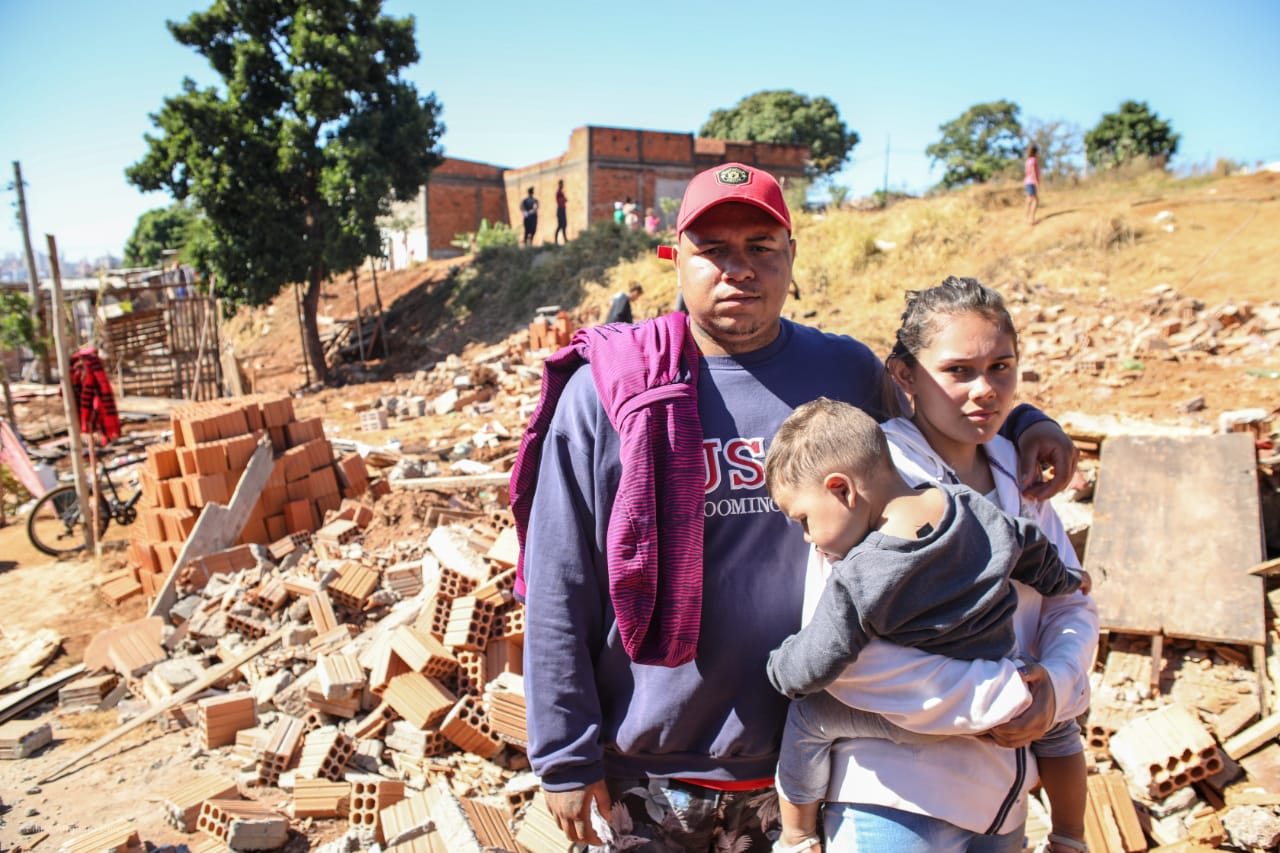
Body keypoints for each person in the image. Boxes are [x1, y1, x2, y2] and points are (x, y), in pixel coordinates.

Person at [517, 162, 1080, 852]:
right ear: (676, 259)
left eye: (761, 246)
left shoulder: (841, 373)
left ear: (792, 256)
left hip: (807, 764)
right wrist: (564, 755)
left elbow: (940, 421)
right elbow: (557, 580)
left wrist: (1023, 420)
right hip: (648, 767)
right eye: (712, 248)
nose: (738, 268)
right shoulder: (612, 392)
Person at [810, 276, 1099, 853]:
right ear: (905, 376)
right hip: (893, 801)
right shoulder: (873, 478)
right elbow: (837, 648)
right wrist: (1001, 696)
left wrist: (1056, 688)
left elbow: (1070, 600)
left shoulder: (1021, 475)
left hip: (1001, 803)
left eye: (1001, 367)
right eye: (959, 371)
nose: (985, 390)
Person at [762, 397, 1090, 853]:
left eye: (803, 520)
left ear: (842, 490)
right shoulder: (966, 504)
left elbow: (817, 662)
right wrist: (1068, 579)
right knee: (1059, 726)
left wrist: (779, 666)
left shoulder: (862, 574)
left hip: (928, 721)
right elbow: (1028, 543)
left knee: (809, 716)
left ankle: (796, 838)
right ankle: (1070, 836)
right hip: (1012, 680)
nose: (807, 538)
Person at [1025, 143, 1042, 226]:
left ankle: (1026, 217)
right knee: (1035, 200)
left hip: (1027, 182)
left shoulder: (1028, 160)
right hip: (1032, 182)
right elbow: (1033, 171)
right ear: (1035, 152)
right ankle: (1031, 219)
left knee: (1029, 199)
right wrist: (1037, 182)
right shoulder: (1033, 160)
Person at [555, 180, 569, 244]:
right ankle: (557, 240)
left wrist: (564, 199)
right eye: (562, 184)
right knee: (560, 225)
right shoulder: (559, 192)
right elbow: (561, 200)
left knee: (564, 225)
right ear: (560, 184)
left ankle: (565, 239)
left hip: (562, 209)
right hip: (560, 210)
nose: (562, 185)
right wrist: (564, 199)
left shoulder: (561, 192)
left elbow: (565, 200)